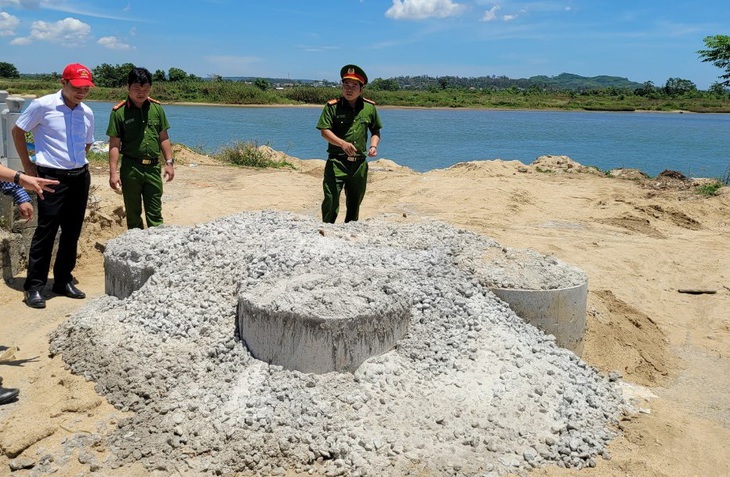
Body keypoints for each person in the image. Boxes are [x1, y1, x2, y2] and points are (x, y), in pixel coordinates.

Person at [11, 62, 95, 309]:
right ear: (63, 82)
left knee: (72, 231)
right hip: (51, 177)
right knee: (46, 230)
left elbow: (87, 143)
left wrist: (76, 162)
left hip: (79, 176)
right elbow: (18, 131)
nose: (81, 92)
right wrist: (28, 166)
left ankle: (62, 280)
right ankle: (34, 286)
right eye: (77, 87)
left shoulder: (87, 112)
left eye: (86, 88)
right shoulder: (43, 105)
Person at [107, 67, 175, 229]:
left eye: (145, 89)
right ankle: (135, 249)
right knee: (133, 212)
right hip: (131, 168)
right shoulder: (119, 112)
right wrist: (113, 173)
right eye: (136, 88)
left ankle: (157, 246)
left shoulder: (157, 109)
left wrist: (169, 162)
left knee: (155, 211)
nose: (141, 93)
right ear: (128, 87)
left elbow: (163, 137)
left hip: (152, 167)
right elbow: (114, 144)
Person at [316, 64, 382, 223]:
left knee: (354, 204)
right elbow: (324, 131)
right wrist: (342, 144)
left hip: (359, 164)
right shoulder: (332, 106)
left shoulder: (369, 108)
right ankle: (326, 231)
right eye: (346, 85)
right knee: (331, 199)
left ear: (361, 89)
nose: (349, 89)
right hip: (336, 162)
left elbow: (375, 131)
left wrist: (373, 146)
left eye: (354, 86)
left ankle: (350, 234)